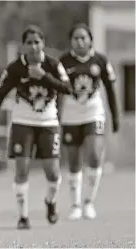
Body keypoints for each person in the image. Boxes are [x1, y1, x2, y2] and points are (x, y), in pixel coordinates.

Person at [0, 25, 72, 229]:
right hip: (23, 123)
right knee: (22, 169)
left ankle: (50, 201)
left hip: (48, 123)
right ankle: (23, 216)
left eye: (37, 42)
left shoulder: (53, 64)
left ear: (43, 44)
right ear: (23, 46)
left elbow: (68, 89)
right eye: (29, 43)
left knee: (53, 173)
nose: (33, 47)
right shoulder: (15, 68)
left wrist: (43, 77)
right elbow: (0, 94)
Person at [58, 23, 119, 220]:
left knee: (93, 154)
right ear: (71, 41)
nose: (80, 41)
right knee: (74, 161)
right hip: (71, 115)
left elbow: (110, 90)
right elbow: (55, 91)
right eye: (76, 38)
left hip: (94, 113)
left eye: (83, 37)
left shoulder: (100, 61)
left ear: (90, 40)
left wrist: (115, 116)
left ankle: (88, 202)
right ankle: (75, 204)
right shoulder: (63, 62)